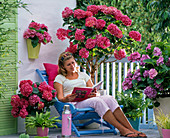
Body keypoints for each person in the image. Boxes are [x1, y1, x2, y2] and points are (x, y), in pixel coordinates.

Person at [53, 52, 147, 138]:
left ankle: (132, 129)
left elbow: (93, 89)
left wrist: (95, 93)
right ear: (63, 67)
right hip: (74, 105)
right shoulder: (60, 78)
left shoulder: (83, 75)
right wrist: (68, 98)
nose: (72, 66)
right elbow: (60, 98)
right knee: (97, 101)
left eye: (73, 62)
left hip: (87, 100)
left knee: (110, 98)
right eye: (68, 64)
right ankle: (122, 129)